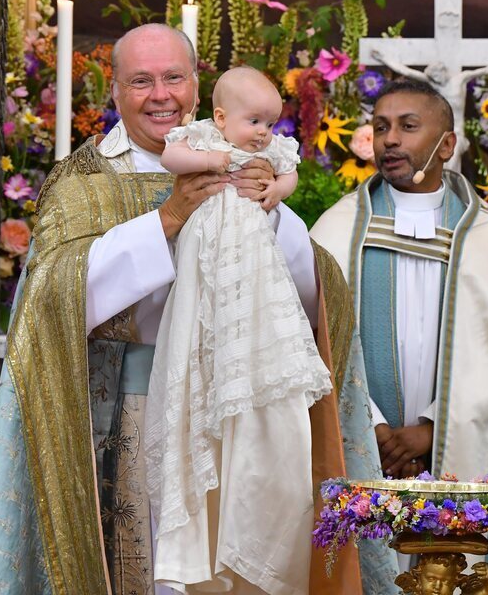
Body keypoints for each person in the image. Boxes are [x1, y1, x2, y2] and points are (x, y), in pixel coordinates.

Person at [0, 24, 376, 595]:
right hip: (126, 418)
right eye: (141, 81)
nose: (160, 95)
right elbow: (49, 299)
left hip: (239, 410)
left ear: (198, 87)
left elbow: (317, 297)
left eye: (173, 78)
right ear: (114, 94)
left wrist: (269, 214)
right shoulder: (87, 180)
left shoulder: (251, 159)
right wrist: (167, 220)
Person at [310, 78, 488, 595]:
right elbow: (318, 343)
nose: (390, 139)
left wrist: (435, 430)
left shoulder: (486, 237)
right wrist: (368, 425)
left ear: (446, 145)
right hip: (365, 443)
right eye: (381, 127)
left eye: (408, 127)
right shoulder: (335, 229)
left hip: (456, 444)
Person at [146, 66, 332, 593]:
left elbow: (289, 174)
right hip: (203, 290)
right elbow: (173, 156)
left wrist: (275, 188)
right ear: (221, 116)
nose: (264, 132)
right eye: (255, 121)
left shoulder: (265, 151)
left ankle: (256, 557)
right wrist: (217, 160)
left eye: (271, 122)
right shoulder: (203, 139)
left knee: (260, 394)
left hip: (253, 288)